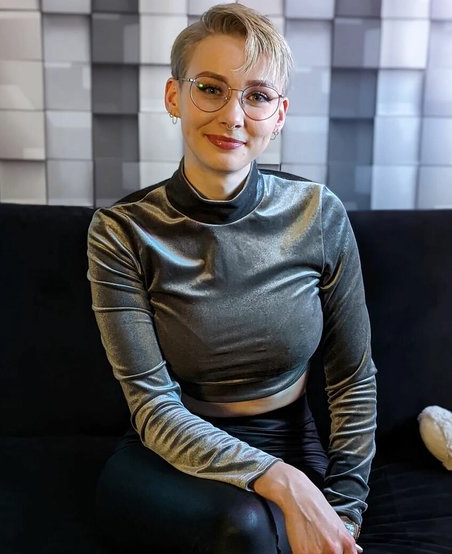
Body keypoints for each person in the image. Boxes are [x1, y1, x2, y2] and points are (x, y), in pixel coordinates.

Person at [87, 3, 377, 553]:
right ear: (174, 97)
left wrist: (345, 506)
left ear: (279, 114)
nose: (233, 115)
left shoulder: (318, 214)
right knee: (244, 528)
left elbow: (352, 379)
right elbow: (153, 408)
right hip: (171, 448)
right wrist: (282, 481)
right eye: (210, 89)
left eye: (257, 96)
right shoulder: (122, 231)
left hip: (291, 437)